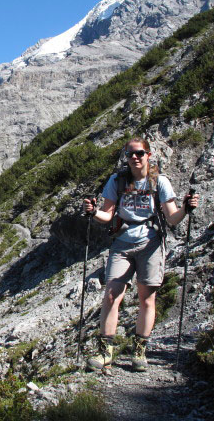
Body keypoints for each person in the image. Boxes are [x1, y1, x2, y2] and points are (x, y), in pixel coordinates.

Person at [82, 137, 198, 372]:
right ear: (126, 157)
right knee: (111, 295)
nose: (135, 157)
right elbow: (107, 215)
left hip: (150, 244)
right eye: (130, 154)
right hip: (122, 244)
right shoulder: (117, 181)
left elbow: (172, 217)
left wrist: (186, 209)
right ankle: (105, 352)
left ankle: (139, 352)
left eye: (139, 153)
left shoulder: (160, 182)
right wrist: (93, 212)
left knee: (147, 299)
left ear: (148, 155)